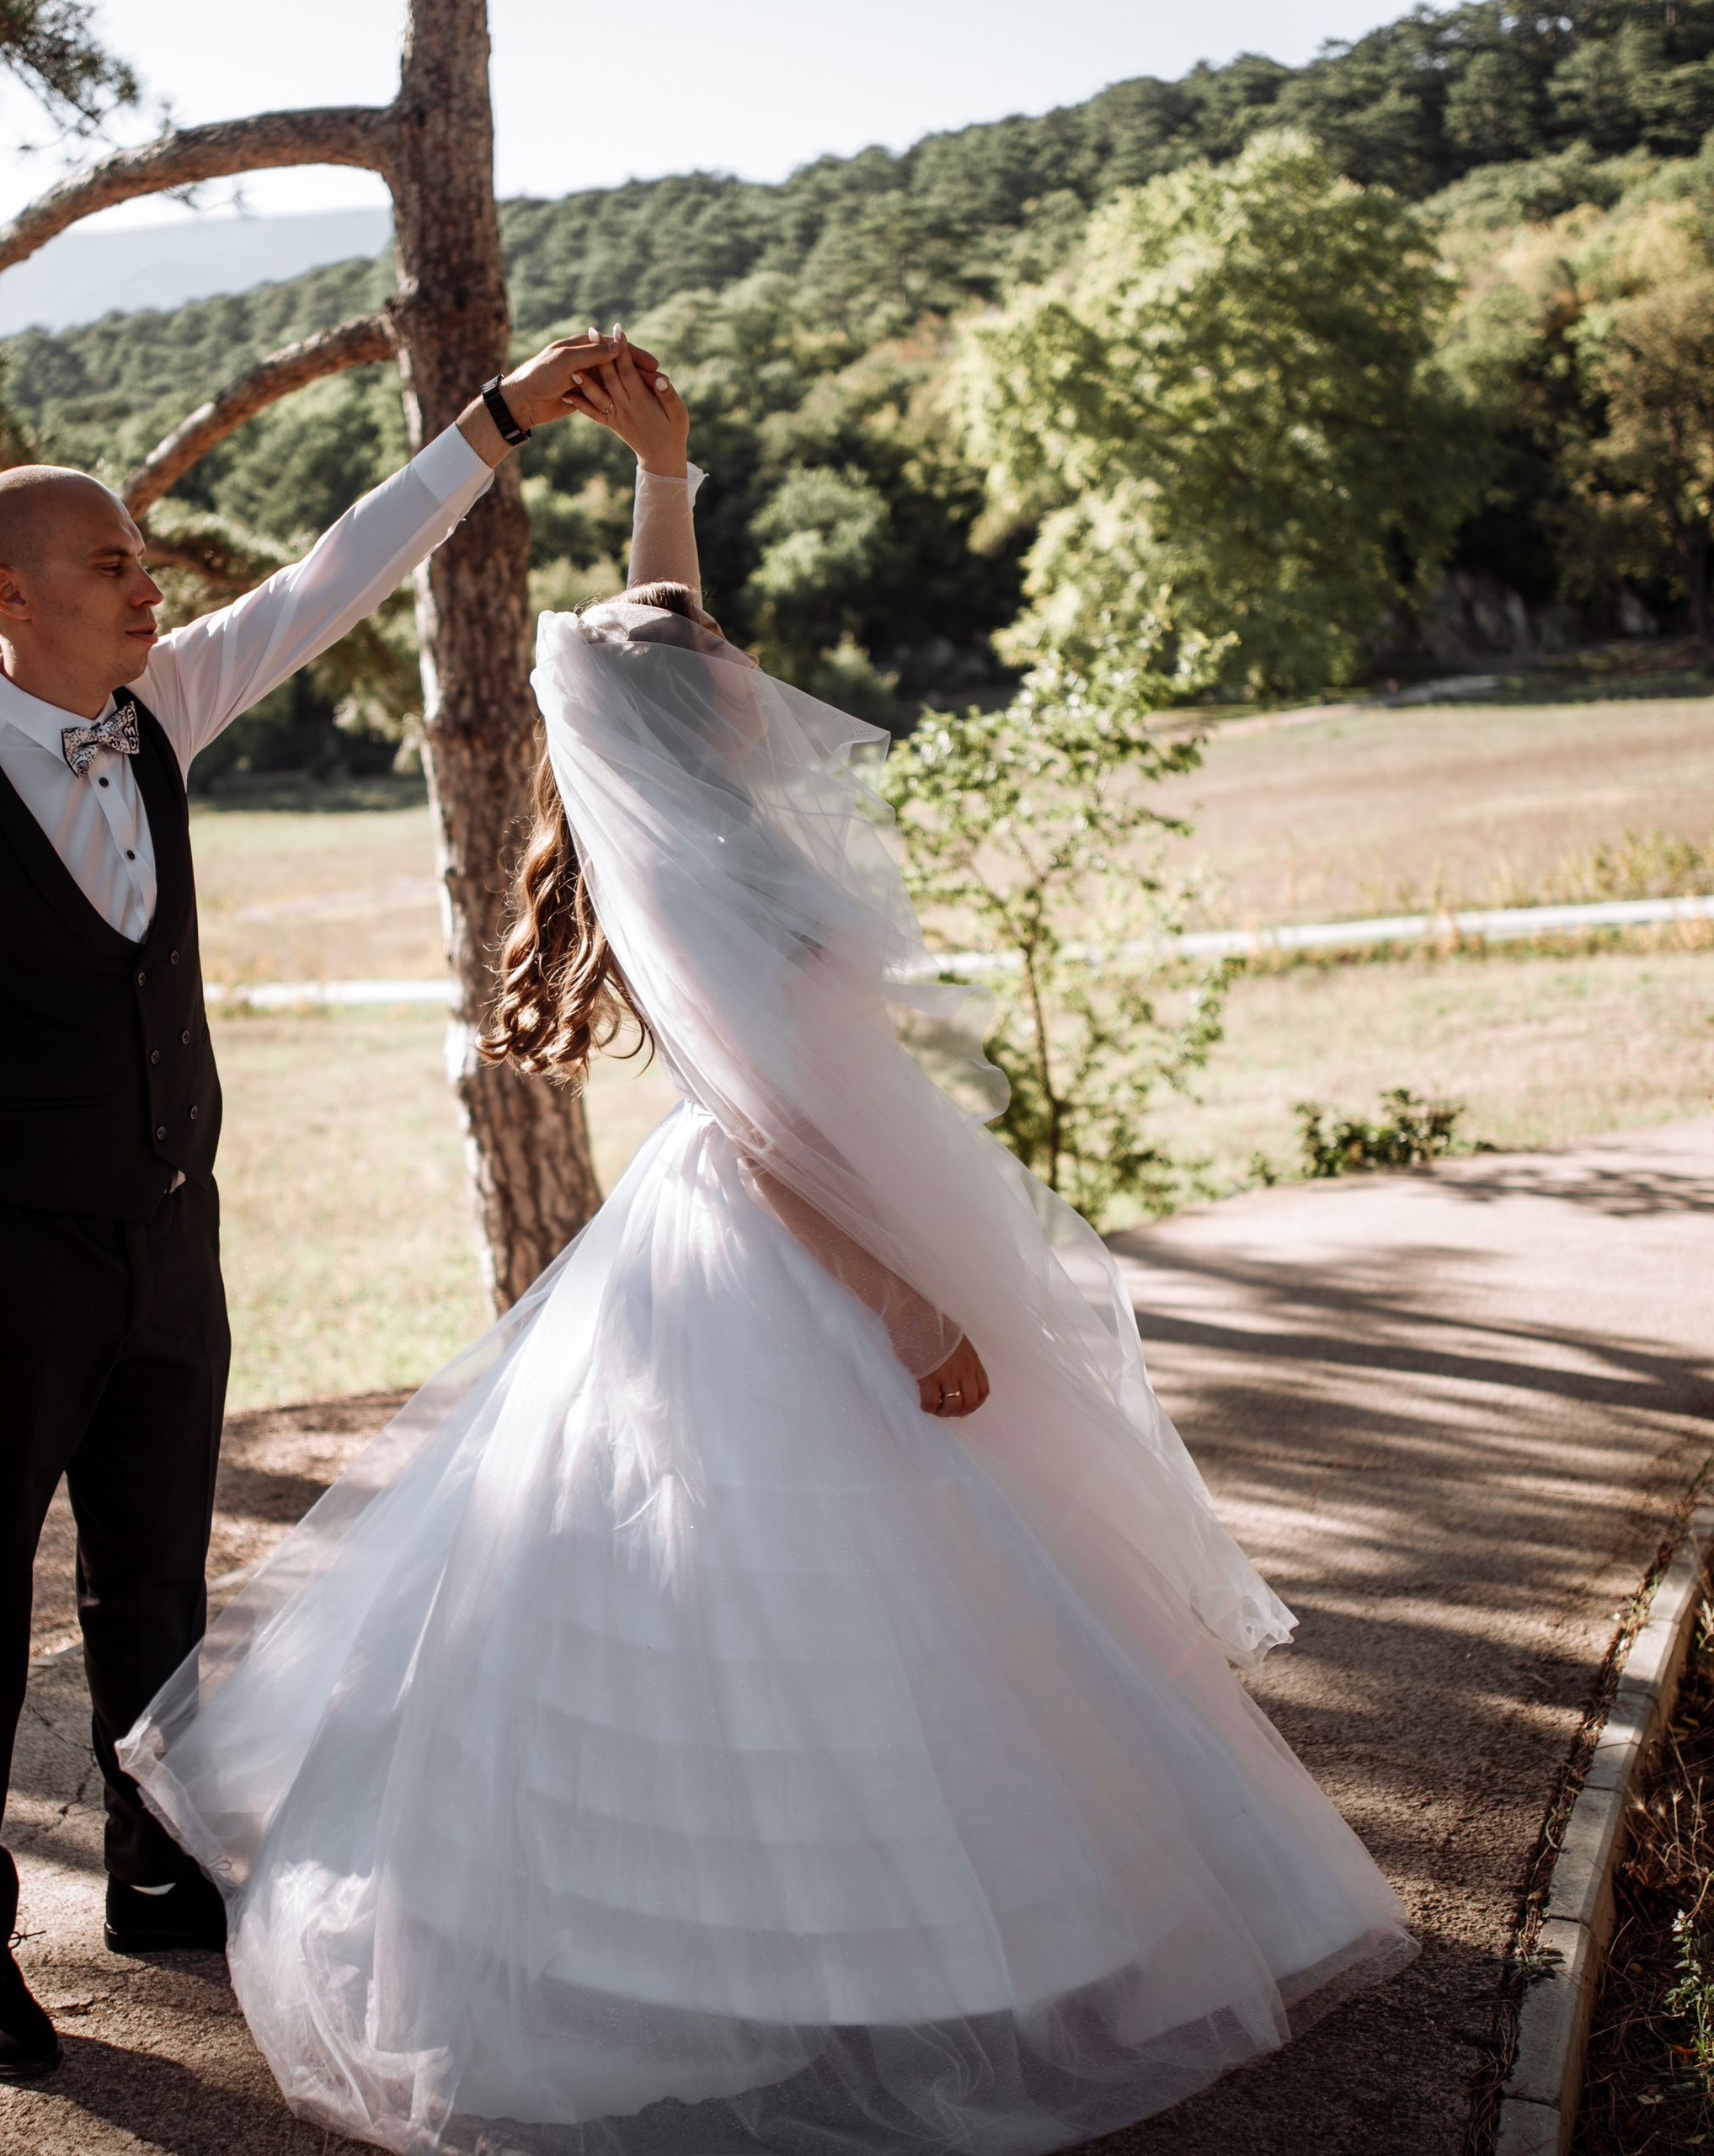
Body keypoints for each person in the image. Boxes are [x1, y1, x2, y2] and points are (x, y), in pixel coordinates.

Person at [118, 347, 1418, 2154]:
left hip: (769, 1225)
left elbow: (660, 631)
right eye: (722, 669)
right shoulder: (707, 877)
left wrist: (668, 472)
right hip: (790, 1247)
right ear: (688, 731)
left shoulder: (693, 819)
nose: (745, 670)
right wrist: (899, 1295)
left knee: (929, 1603)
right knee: (804, 1608)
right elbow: (763, 1127)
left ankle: (973, 1941)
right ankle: (805, 1979)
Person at [0, 328, 641, 2083]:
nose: (144, 582)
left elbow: (338, 568)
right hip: (1, 1266)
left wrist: (492, 423)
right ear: (6, 592)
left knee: (158, 1586)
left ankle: (154, 1871)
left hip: (169, 1248)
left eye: (138, 559)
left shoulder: (161, 711)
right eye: (108, 561)